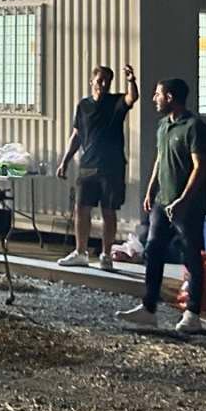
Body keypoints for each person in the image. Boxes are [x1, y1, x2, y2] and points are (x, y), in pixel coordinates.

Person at [117, 78, 206, 336]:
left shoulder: (194, 127)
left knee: (191, 255)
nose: (154, 99)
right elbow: (160, 159)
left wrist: (183, 200)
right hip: (162, 201)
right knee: (153, 249)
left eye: (158, 94)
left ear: (170, 97)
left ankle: (193, 313)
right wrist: (150, 190)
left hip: (188, 205)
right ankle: (149, 308)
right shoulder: (163, 126)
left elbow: (200, 167)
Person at [55, 64, 139, 270]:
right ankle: (80, 252)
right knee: (81, 208)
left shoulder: (116, 102)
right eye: (100, 80)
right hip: (88, 165)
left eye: (107, 81)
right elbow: (76, 135)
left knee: (108, 211)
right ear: (91, 81)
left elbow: (132, 98)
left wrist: (131, 81)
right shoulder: (83, 106)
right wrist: (65, 161)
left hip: (112, 167)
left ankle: (106, 255)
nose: (103, 84)